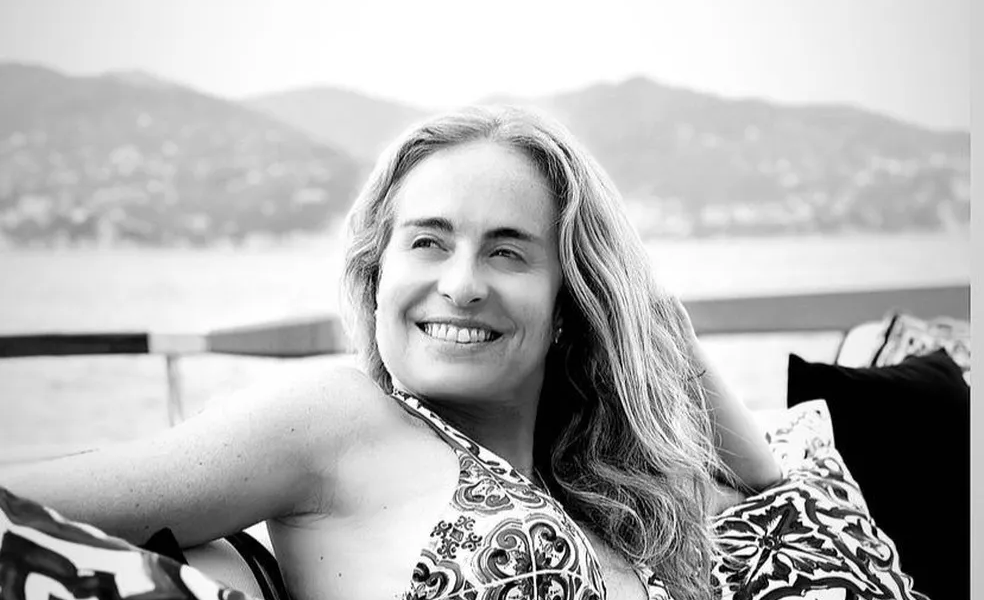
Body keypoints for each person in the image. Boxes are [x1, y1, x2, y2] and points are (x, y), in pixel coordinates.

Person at [1, 106, 781, 600]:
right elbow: (25, 503)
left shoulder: (613, 502)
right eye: (428, 243)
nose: (461, 285)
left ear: (567, 305)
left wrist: (648, 317)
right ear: (378, 279)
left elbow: (773, 499)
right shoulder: (342, 421)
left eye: (508, 252)